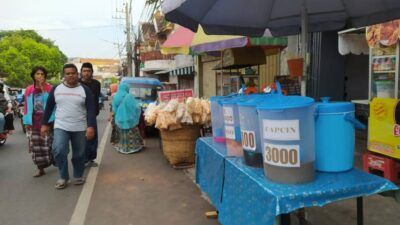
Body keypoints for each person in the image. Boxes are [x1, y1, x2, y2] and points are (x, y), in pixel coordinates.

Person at [41, 63, 96, 189]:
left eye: (73, 73)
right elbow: (49, 107)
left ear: (77, 74)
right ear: (64, 75)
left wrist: (91, 126)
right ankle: (63, 177)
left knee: (79, 154)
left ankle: (78, 175)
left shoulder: (84, 90)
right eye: (68, 73)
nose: (71, 75)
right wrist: (44, 124)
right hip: (61, 125)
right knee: (59, 150)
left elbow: (91, 109)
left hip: (79, 126)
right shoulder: (57, 89)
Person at [23, 66, 55, 177]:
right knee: (36, 147)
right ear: (33, 76)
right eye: (37, 74)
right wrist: (26, 121)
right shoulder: (29, 89)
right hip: (33, 121)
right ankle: (40, 169)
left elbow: (51, 103)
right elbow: (26, 105)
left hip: (47, 121)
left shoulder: (50, 88)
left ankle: (53, 161)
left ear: (45, 76)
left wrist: (42, 88)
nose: (40, 76)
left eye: (42, 74)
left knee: (48, 144)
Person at [111, 83, 143, 154]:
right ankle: (133, 148)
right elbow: (135, 107)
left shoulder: (116, 96)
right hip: (129, 119)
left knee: (122, 135)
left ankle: (123, 148)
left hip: (119, 119)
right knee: (132, 134)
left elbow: (114, 109)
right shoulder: (129, 96)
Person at [79, 62, 101, 167]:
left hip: (92, 115)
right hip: (79, 115)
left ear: (92, 72)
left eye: (88, 71)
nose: (86, 73)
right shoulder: (77, 83)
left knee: (92, 137)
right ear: (81, 72)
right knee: (81, 138)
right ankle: (82, 159)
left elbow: (95, 100)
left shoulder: (96, 84)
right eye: (84, 71)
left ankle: (91, 159)